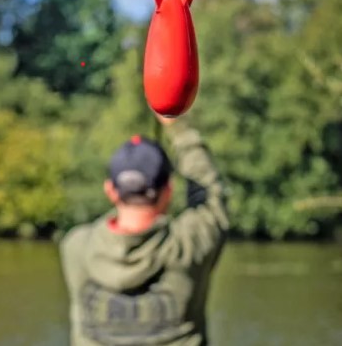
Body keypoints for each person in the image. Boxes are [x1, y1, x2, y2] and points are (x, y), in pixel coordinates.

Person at [59, 112, 229, 345]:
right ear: (167, 192)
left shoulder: (77, 247)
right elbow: (210, 197)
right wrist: (176, 126)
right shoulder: (187, 245)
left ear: (110, 190)